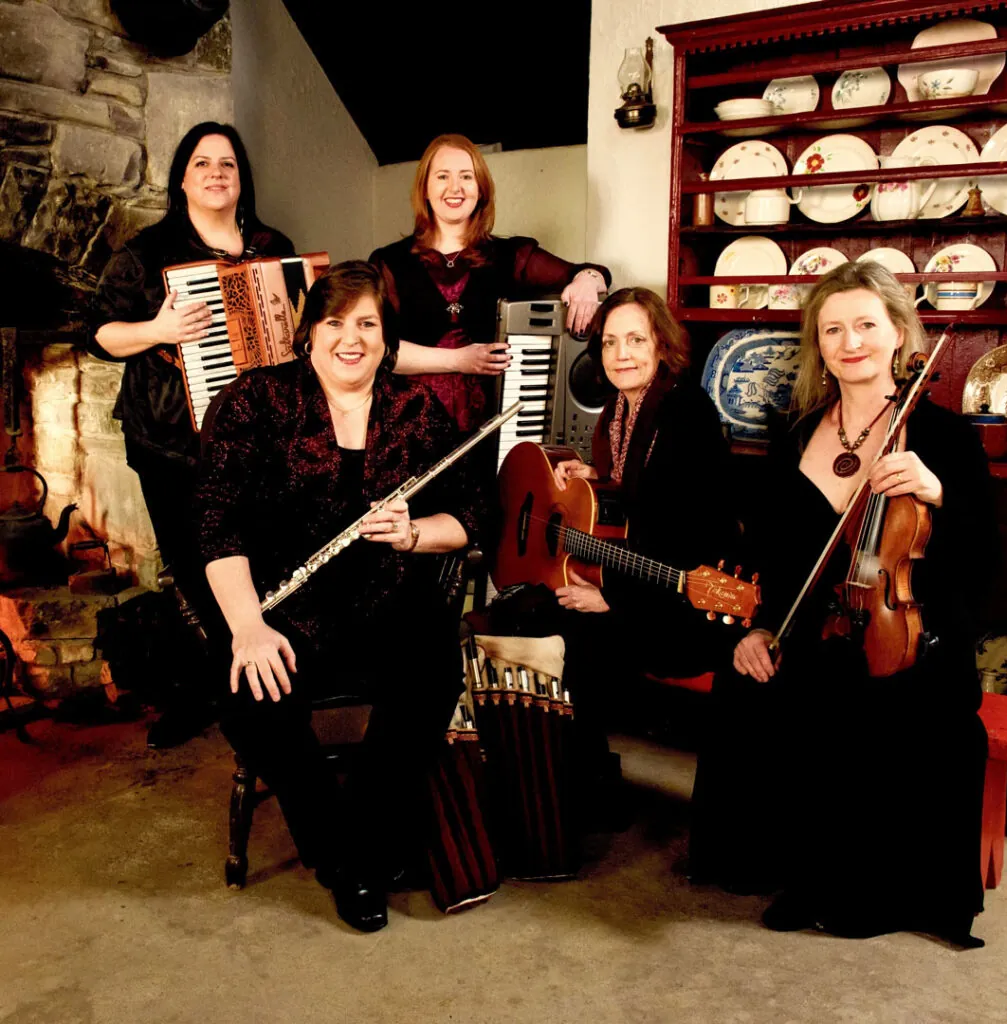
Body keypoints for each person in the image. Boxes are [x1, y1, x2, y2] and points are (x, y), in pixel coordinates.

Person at [689, 261, 996, 948]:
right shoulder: (797, 435)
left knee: (887, 712)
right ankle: (798, 871)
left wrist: (938, 496)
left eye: (864, 325)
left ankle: (872, 890)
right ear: (817, 344)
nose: (849, 340)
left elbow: (983, 562)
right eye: (832, 329)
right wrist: (760, 626)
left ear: (897, 333)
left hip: (913, 638)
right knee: (757, 687)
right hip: (818, 631)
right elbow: (774, 557)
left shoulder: (942, 438)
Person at [196, 261, 487, 932]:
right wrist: (247, 624)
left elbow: (474, 512)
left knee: (434, 668)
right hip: (280, 607)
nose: (350, 339)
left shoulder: (414, 410)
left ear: (387, 339)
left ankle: (360, 846)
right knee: (250, 700)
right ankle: (344, 854)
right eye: (335, 323)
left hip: (386, 600)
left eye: (367, 324)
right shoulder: (256, 401)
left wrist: (415, 534)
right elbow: (216, 521)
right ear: (308, 335)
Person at [90, 121, 294, 748]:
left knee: (251, 567)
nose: (215, 173)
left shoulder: (271, 245)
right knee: (194, 574)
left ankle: (248, 685)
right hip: (171, 445)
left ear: (241, 178)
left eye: (227, 164)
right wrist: (158, 329)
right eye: (202, 163)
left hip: (257, 444)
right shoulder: (145, 253)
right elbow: (100, 336)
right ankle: (222, 696)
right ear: (182, 178)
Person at [542, 287, 741, 820]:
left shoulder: (686, 411)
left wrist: (612, 600)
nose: (621, 354)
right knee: (536, 608)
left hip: (687, 602)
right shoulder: (617, 410)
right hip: (637, 583)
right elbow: (638, 500)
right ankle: (567, 774)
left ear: (661, 345)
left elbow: (690, 532)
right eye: (609, 342)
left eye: (635, 339)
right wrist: (595, 477)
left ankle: (588, 790)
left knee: (571, 637)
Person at [369, 133, 611, 433]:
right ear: (426, 189)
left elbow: (591, 272)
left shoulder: (512, 255)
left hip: (496, 431)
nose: (455, 188)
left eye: (467, 177)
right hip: (408, 432)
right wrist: (458, 360)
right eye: (442, 176)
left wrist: (587, 281)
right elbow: (377, 350)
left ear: (481, 190)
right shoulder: (389, 262)